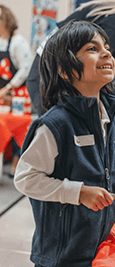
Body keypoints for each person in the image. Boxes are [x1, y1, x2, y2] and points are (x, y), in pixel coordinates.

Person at [14, 21, 115, 266]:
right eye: (92, 48)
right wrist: (79, 193)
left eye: (106, 47)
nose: (107, 52)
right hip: (61, 256)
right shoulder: (56, 125)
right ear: (65, 70)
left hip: (100, 249)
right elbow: (26, 178)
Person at [0, 4, 32, 177]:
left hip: (18, 93)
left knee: (19, 128)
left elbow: (26, 68)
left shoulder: (18, 42)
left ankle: (17, 164)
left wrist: (8, 88)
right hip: (1, 92)